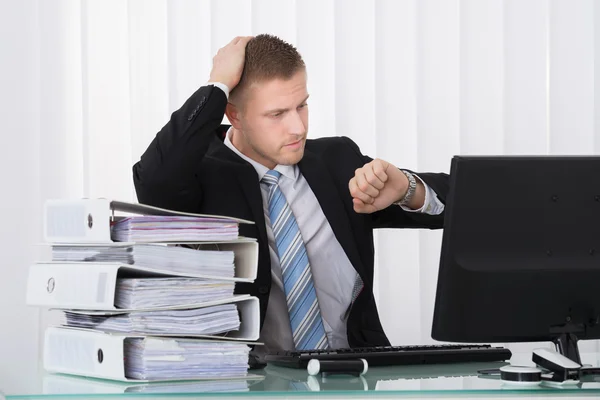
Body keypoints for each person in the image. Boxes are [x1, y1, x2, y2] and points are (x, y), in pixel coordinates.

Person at [133, 34, 449, 358]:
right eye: (277, 114)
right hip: (248, 386)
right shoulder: (201, 179)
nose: (298, 127)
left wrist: (409, 189)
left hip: (355, 378)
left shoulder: (337, 162)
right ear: (235, 115)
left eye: (302, 105)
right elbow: (154, 180)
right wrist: (217, 85)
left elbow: (468, 204)